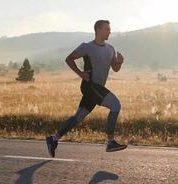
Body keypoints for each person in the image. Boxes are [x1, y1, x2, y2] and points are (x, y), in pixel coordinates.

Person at [46, 20, 126, 157]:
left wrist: (119, 62)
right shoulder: (87, 47)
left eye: (109, 29)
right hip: (90, 86)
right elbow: (69, 59)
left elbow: (115, 69)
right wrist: (80, 73)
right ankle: (110, 142)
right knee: (115, 105)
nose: (109, 32)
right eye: (107, 29)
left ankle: (53, 139)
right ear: (98, 30)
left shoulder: (110, 49)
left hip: (98, 88)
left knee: (78, 117)